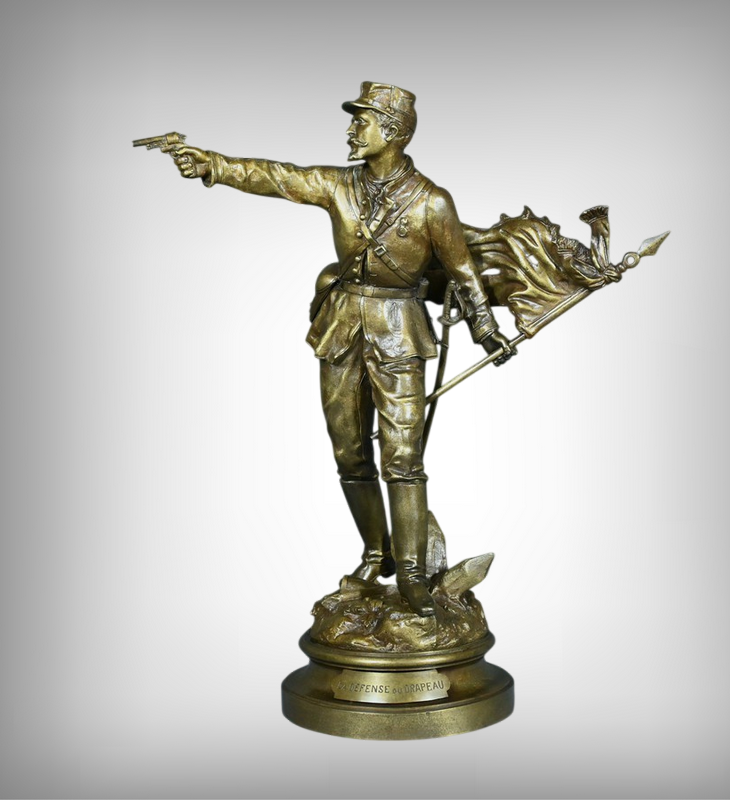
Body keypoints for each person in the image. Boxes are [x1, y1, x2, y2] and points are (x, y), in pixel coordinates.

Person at [172, 82, 516, 616]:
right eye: (354, 120)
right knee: (350, 453)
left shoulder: (432, 202)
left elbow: (463, 271)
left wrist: (486, 329)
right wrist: (212, 164)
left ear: (393, 131)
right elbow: (278, 176)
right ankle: (377, 553)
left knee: (403, 458)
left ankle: (412, 573)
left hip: (399, 329)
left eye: (362, 121)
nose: (352, 130)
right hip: (340, 327)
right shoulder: (339, 184)